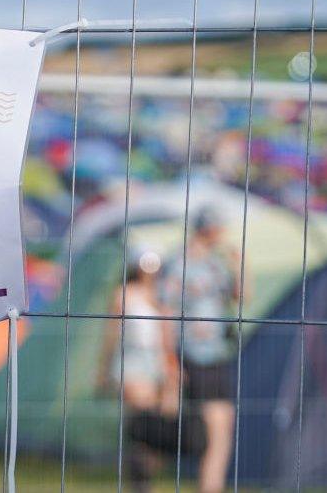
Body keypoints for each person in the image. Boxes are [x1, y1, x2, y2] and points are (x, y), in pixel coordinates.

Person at [162, 206, 241, 493]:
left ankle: (212, 485)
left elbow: (240, 296)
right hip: (193, 355)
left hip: (217, 354)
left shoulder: (216, 263)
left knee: (219, 430)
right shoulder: (179, 263)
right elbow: (166, 313)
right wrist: (169, 360)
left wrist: (239, 267)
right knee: (209, 432)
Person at [97, 247, 179, 492]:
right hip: (131, 361)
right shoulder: (124, 294)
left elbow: (167, 337)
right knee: (142, 422)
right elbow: (112, 332)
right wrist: (104, 368)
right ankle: (139, 483)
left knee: (156, 428)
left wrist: (171, 370)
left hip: (156, 363)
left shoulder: (160, 295)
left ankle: (144, 480)